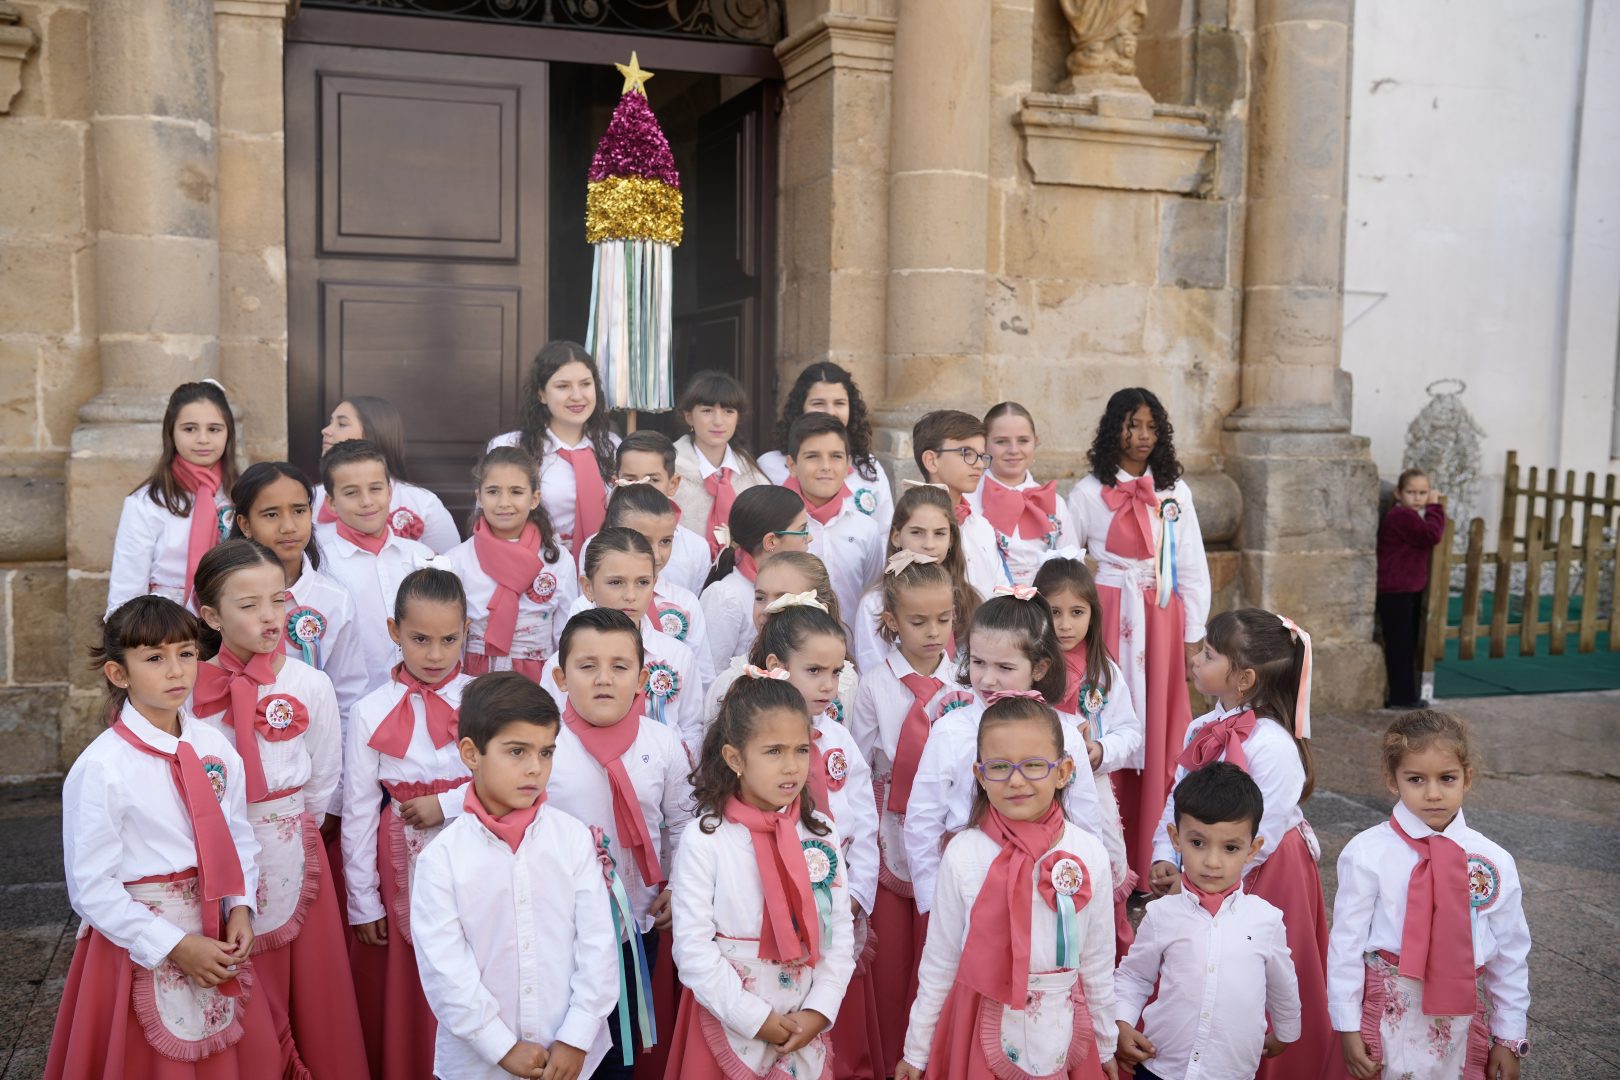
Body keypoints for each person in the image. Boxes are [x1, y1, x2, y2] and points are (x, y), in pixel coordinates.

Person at [46, 596, 279, 1079]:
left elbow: (237, 835)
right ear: (119, 674)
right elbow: (92, 888)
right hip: (138, 944)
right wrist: (175, 945)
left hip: (214, 931)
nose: (176, 671)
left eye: (186, 653)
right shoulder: (101, 768)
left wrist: (240, 907)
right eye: (154, 658)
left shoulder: (215, 747)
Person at [190, 540, 368, 1077]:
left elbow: (323, 778)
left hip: (291, 847)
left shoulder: (309, 684)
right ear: (211, 616)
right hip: (213, 854)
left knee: (310, 988)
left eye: (278, 600)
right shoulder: (188, 691)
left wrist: (286, 824)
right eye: (249, 606)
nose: (270, 617)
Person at [1149, 608, 1342, 1080]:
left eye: (1209, 654)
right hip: (1208, 861)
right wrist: (1165, 854)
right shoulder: (1201, 728)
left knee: (1262, 964)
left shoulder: (1273, 747)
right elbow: (1178, 798)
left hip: (1267, 870)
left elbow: (1264, 833)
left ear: (1244, 678)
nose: (1195, 658)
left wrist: (1204, 879)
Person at [411, 672, 621, 1080]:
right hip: (478, 1066)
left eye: (546, 753)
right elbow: (445, 969)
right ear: (471, 753)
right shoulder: (442, 859)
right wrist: (499, 1045)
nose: (535, 769)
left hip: (572, 1059)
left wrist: (577, 1036)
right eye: (517, 752)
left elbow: (598, 944)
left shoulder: (572, 838)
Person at [895, 696, 1117, 1080]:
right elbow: (941, 960)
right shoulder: (964, 854)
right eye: (999, 767)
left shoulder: (1088, 852)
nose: (1016, 780)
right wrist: (916, 1051)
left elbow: (1097, 958)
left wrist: (1107, 1042)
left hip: (1062, 1025)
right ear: (980, 775)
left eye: (1033, 765)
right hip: (977, 1025)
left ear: (1063, 771)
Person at [660, 674, 856, 1080]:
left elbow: (838, 932)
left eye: (801, 749)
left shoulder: (820, 831)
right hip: (729, 1015)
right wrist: (753, 1018)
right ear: (735, 759)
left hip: (802, 1018)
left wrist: (820, 1010)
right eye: (774, 751)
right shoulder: (707, 838)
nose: (791, 766)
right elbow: (693, 948)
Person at [1329, 711, 1530, 1080]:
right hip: (1388, 1011)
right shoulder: (1366, 853)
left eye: (1447, 778)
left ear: (1468, 778)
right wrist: (1347, 1025)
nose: (1433, 793)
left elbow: (1510, 953)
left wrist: (1509, 1035)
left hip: (1459, 1019)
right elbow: (1345, 944)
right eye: (1416, 779)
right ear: (1392, 781)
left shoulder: (1494, 860)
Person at [1066, 387, 1210, 885]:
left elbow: (1192, 564)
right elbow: (1068, 560)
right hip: (1110, 610)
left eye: (1151, 426)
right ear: (1114, 430)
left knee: (1161, 724)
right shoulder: (1087, 492)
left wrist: (1193, 636)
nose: (1142, 435)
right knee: (1106, 710)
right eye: (1132, 425)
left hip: (1161, 612)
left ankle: (1157, 855)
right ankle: (1107, 855)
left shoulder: (1175, 492)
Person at [546, 608, 696, 1078]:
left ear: (642, 680)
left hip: (635, 923)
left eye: (619, 666)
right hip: (561, 928)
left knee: (619, 1049)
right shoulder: (546, 747)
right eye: (587, 666)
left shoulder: (663, 743)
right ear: (561, 678)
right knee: (563, 1042)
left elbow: (684, 823)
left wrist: (678, 886)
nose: (604, 679)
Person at [341, 568, 475, 1079]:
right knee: (412, 975)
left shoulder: (482, 699)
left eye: (449, 640)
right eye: (420, 639)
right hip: (399, 861)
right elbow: (357, 810)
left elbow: (508, 781)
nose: (435, 654)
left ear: (466, 631)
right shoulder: (370, 710)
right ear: (395, 631)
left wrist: (450, 804)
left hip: (475, 850)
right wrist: (363, 900)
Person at [903, 589, 1104, 914]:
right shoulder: (950, 731)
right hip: (968, 887)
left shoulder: (1066, 734)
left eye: (1005, 667)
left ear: (1039, 668)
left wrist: (1084, 889)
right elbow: (922, 819)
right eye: (978, 662)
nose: (987, 679)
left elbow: (1085, 819)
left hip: (1045, 887)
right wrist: (934, 900)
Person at [747, 601, 882, 1080]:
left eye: (836, 671)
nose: (828, 685)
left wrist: (856, 893)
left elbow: (864, 824)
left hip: (832, 903)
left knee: (829, 997)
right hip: (770, 908)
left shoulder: (840, 740)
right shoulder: (752, 740)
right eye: (814, 671)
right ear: (777, 666)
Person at [1115, 762, 1300, 1079]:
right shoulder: (1162, 914)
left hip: (1230, 1071)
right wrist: (1121, 1022)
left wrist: (1284, 1032)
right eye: (1198, 843)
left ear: (1252, 849)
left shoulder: (1266, 921)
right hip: (1162, 1067)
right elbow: (1135, 976)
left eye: (1230, 848)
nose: (1212, 862)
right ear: (1176, 838)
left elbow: (1283, 986)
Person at [847, 553, 958, 1073]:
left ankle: (938, 1057)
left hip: (947, 831)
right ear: (892, 621)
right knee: (893, 958)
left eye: (944, 618)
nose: (934, 632)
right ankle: (893, 1055)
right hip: (891, 828)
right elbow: (857, 761)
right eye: (918, 621)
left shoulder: (964, 683)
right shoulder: (875, 684)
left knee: (941, 947)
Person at [1033, 554, 1142, 956]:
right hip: (1039, 794)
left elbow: (1129, 731)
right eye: (1054, 612)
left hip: (1092, 792)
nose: (1065, 624)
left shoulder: (1104, 673)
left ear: (1092, 615)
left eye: (1076, 612)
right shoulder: (1029, 668)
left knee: (1100, 865)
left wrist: (1100, 750)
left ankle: (1108, 958)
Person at [543, 528, 706, 755]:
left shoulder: (678, 655)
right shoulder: (561, 664)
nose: (630, 595)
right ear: (588, 587)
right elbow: (550, 733)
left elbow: (691, 728)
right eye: (616, 582)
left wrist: (680, 771)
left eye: (642, 582)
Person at [230, 461, 367, 724]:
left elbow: (347, 695)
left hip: (310, 738)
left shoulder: (335, 600)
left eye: (299, 511)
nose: (288, 526)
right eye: (271, 515)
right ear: (245, 524)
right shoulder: (217, 593)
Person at [313, 440, 436, 697]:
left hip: (422, 698)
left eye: (375, 488)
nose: (367, 501)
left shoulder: (421, 556)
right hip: (354, 703)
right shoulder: (320, 566)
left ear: (389, 492)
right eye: (351, 493)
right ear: (331, 503)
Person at [106, 380, 238, 616]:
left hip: (230, 621)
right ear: (171, 432)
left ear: (229, 433)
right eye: (189, 429)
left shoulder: (239, 495)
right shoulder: (147, 503)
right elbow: (127, 588)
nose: (203, 439)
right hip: (166, 624)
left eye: (214, 429)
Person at [449, 446, 578, 684]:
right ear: (479, 497)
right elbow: (451, 638)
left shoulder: (558, 560)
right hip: (474, 681)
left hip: (538, 682)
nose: (504, 502)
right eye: (493, 492)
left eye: (516, 492)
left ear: (534, 499)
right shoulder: (457, 560)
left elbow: (566, 636)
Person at [488, 341, 621, 560]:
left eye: (585, 384)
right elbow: (490, 515)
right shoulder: (510, 446)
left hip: (604, 568)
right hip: (533, 564)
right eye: (563, 386)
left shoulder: (613, 447)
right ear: (541, 393)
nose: (577, 395)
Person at [701, 551, 857, 729]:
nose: (767, 609)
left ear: (818, 606)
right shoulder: (732, 680)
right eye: (760, 598)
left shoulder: (843, 682)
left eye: (783, 598)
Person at [588, 482, 715, 689]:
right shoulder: (586, 605)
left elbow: (702, 678)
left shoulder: (686, 602)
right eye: (642, 540)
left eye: (666, 541)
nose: (656, 554)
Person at [849, 484, 980, 675]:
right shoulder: (875, 603)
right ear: (896, 537)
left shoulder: (967, 597)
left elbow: (971, 667)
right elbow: (872, 670)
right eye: (917, 532)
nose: (929, 544)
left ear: (951, 540)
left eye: (939, 533)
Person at [759, 361, 895, 535]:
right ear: (800, 408)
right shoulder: (769, 465)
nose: (830, 412)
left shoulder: (869, 467)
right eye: (818, 403)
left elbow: (885, 533)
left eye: (839, 403)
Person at [314, 395, 460, 553]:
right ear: (331, 502)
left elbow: (448, 560)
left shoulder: (423, 503)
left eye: (342, 424)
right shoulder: (312, 498)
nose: (325, 430)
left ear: (374, 431)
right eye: (350, 492)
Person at [782, 412, 885, 634]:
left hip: (852, 647)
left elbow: (872, 597)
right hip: (790, 645)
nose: (826, 466)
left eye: (836, 456)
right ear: (792, 465)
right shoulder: (779, 526)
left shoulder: (866, 529)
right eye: (812, 456)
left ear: (848, 464)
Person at [699, 485, 810, 671]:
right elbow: (709, 673)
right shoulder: (726, 595)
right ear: (771, 541)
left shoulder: (798, 585)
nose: (810, 537)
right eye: (803, 530)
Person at [969, 402, 1077, 585]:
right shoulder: (968, 500)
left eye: (1023, 440)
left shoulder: (1054, 502)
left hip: (1044, 598)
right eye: (1001, 441)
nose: (1013, 450)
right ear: (984, 445)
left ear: (1036, 441)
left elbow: (1071, 564)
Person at [671, 370, 771, 559]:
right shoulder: (668, 473)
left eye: (728, 411)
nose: (718, 421)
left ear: (738, 418)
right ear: (689, 416)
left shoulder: (755, 480)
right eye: (707, 411)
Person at [911, 409, 1005, 599]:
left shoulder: (981, 526)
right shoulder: (910, 526)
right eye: (966, 453)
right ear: (931, 461)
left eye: (982, 456)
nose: (979, 464)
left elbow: (1001, 590)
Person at [1376, 468, 1446, 709]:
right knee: (1400, 645)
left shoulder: (1409, 515)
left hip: (1405, 589)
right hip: (1395, 591)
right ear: (1398, 493)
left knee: (1405, 643)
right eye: (1411, 492)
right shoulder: (1402, 516)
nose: (1417, 498)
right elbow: (1431, 534)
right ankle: (1402, 697)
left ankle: (1405, 693)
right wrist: (1435, 507)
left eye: (1423, 493)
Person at [614, 430, 710, 597]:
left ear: (673, 484)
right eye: (630, 479)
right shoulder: (594, 545)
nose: (642, 488)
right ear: (616, 483)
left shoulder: (696, 548)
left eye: (652, 480)